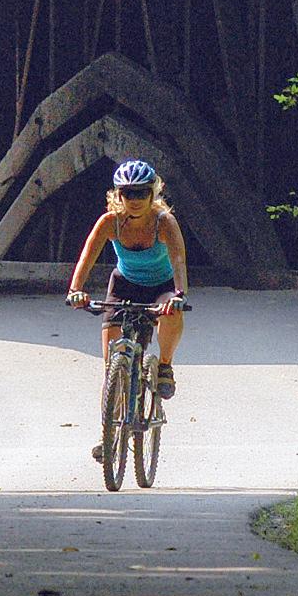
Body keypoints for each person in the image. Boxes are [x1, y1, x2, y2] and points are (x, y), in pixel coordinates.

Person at [65, 159, 189, 458]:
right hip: (124, 285)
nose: (135, 200)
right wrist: (75, 290)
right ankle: (109, 435)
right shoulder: (110, 222)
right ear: (118, 195)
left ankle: (164, 366)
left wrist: (179, 294)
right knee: (112, 367)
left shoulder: (164, 222)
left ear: (152, 193)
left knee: (173, 311)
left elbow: (178, 260)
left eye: (141, 193)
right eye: (128, 193)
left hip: (161, 286)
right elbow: (87, 257)